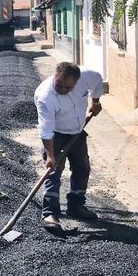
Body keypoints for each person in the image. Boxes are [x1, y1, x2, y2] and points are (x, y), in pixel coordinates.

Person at [33, 61, 104, 230]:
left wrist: (95, 102)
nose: (63, 90)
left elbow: (98, 81)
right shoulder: (45, 96)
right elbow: (46, 129)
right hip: (56, 135)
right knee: (53, 172)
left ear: (77, 81)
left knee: (82, 167)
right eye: (59, 85)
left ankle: (76, 205)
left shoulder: (87, 76)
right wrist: (50, 156)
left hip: (77, 132)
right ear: (55, 76)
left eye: (68, 87)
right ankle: (50, 213)